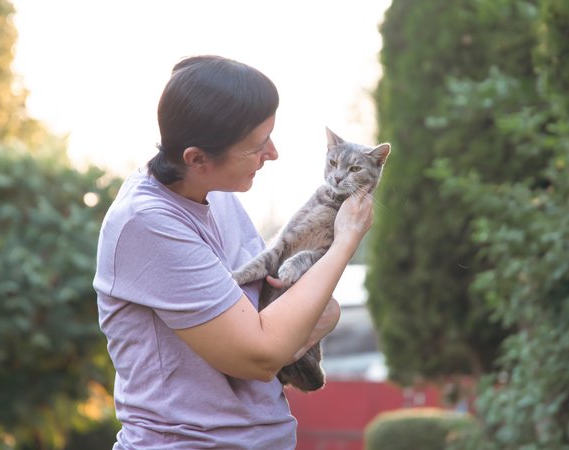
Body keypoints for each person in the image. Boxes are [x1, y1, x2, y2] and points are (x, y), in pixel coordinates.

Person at [93, 55, 374, 449]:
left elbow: (304, 309)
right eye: (257, 146)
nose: (273, 153)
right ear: (197, 158)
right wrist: (345, 242)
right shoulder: (146, 224)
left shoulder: (216, 197)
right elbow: (261, 356)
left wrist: (307, 319)